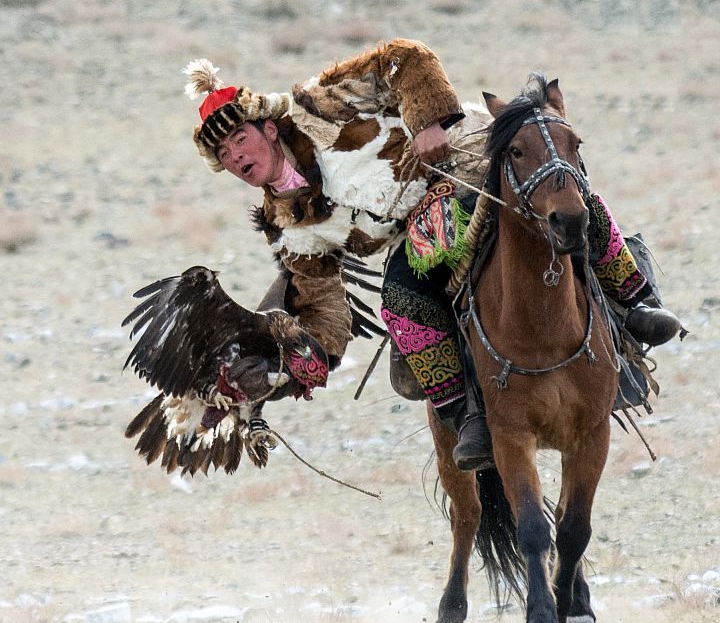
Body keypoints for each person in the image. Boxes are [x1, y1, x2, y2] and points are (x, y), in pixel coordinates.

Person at [183, 40, 681, 470]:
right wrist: (293, 368)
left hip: (460, 160)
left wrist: (426, 122)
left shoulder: (318, 106)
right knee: (399, 302)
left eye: (239, 139)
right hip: (417, 231)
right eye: (224, 156)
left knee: (566, 196)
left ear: (267, 129)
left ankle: (636, 305)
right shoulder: (286, 224)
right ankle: (467, 417)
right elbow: (321, 305)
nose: (236, 158)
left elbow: (404, 58)